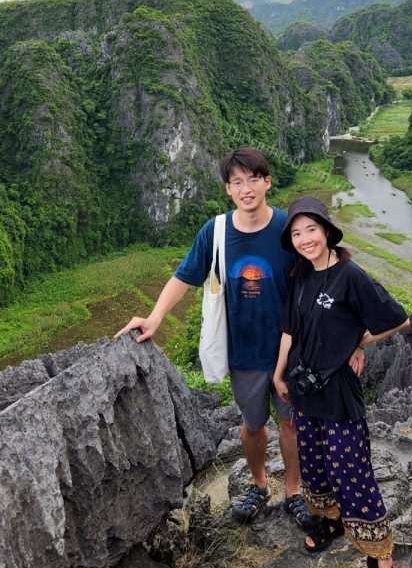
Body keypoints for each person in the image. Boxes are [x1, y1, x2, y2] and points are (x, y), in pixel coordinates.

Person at [114, 146, 314, 530]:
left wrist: (352, 338)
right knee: (253, 424)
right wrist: (154, 317)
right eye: (237, 181)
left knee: (291, 423)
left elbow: (324, 273)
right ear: (228, 189)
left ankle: (293, 490)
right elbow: (184, 276)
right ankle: (258, 485)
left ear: (267, 182)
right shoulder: (216, 231)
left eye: (253, 179)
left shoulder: (290, 228)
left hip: (292, 349)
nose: (246, 188)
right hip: (244, 353)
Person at [273, 197, 410, 568]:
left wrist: (358, 342)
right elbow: (289, 330)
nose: (304, 240)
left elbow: (397, 318)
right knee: (314, 464)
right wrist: (279, 374)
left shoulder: (349, 275)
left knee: (353, 471)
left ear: (328, 232)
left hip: (339, 394)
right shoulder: (298, 277)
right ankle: (331, 521)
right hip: (304, 390)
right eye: (296, 234)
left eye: (310, 230)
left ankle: (382, 565)